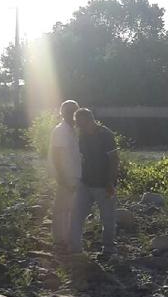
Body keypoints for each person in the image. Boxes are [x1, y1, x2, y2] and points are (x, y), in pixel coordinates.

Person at [70, 107, 119, 257]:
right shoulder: (82, 135)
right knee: (77, 214)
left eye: (81, 124)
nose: (79, 127)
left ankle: (109, 248)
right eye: (77, 124)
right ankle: (75, 248)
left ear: (90, 120)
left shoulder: (106, 135)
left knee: (107, 217)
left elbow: (114, 159)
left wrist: (110, 182)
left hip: (104, 184)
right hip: (85, 182)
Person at [49, 100, 81, 252]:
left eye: (74, 111)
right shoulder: (61, 130)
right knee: (61, 208)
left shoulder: (73, 129)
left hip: (75, 174)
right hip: (66, 174)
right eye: (70, 111)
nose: (72, 115)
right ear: (63, 113)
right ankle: (59, 240)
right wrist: (61, 176)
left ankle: (68, 238)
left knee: (71, 208)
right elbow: (57, 154)